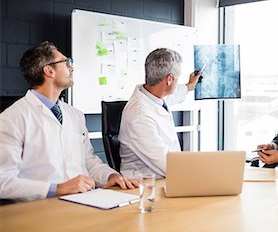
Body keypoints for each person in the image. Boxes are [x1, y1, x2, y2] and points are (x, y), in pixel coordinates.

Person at [0, 41, 138, 202]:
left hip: (85, 201)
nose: (71, 68)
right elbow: (3, 181)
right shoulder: (12, 118)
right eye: (66, 63)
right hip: (41, 209)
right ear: (49, 70)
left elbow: (89, 161)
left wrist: (110, 176)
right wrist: (57, 189)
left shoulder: (75, 115)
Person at [118, 48, 201, 178]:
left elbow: (174, 94)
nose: (177, 82)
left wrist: (190, 86)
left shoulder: (155, 96)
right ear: (169, 79)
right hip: (145, 185)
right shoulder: (139, 115)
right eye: (177, 79)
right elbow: (166, 163)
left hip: (166, 177)